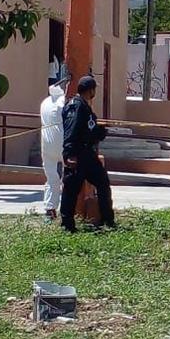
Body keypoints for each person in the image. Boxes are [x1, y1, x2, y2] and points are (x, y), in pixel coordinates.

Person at [59, 75, 113, 232]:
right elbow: (71, 131)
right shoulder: (76, 106)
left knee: (102, 182)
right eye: (94, 89)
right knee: (71, 190)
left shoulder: (83, 106)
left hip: (87, 155)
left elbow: (88, 130)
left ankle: (107, 220)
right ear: (90, 90)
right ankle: (67, 225)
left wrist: (100, 131)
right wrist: (69, 154)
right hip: (77, 154)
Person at [40, 81, 66, 222]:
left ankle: (49, 209)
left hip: (46, 144)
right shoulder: (63, 102)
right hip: (63, 143)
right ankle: (68, 209)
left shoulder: (44, 102)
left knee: (51, 178)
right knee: (69, 177)